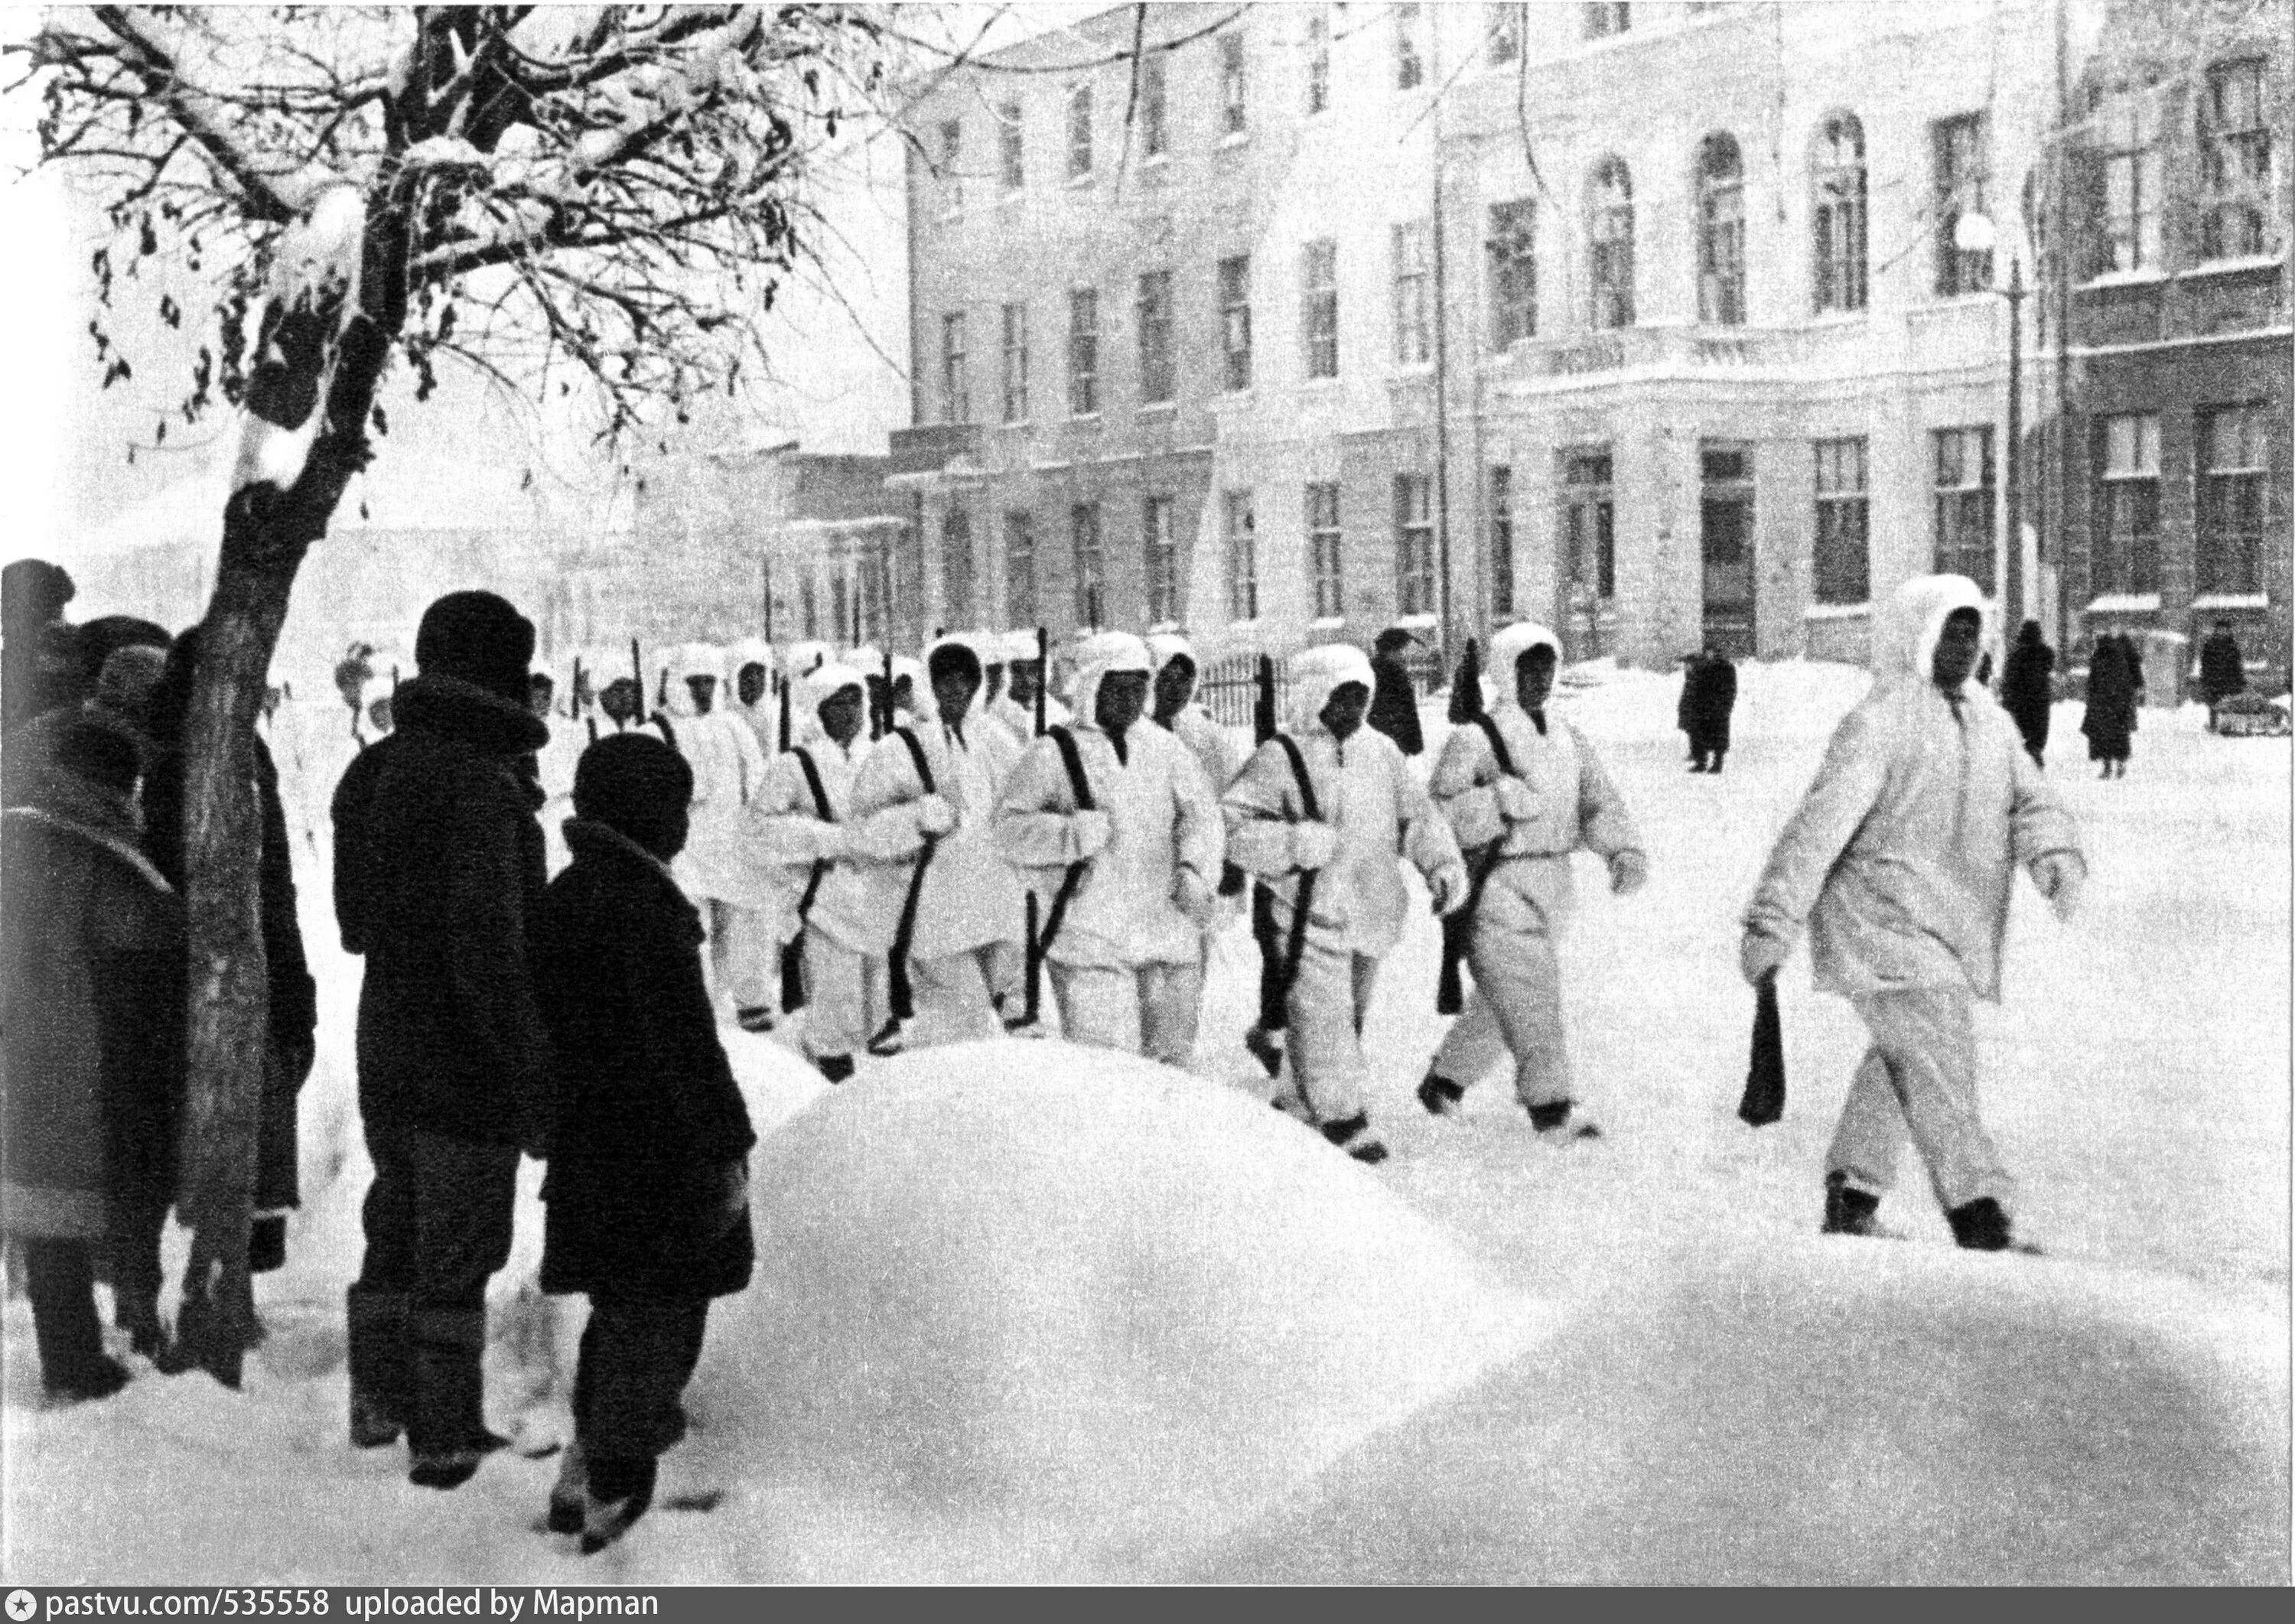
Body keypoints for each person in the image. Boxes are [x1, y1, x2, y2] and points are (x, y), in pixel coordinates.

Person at [1740, 574, 2085, 1253]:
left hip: (1946, 924)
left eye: (1971, 630)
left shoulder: (1992, 721)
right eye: (1948, 629)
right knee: (1938, 1052)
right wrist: (1771, 922)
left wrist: (2053, 854)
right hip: (1880, 921)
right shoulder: (1880, 721)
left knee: (1903, 1057)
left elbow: (2030, 800)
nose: (1962, 643)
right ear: (1916, 633)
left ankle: (1854, 1190)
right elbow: (1817, 828)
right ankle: (1980, 1210)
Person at [331, 590, 554, 1489]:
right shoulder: (481, 783)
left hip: (387, 1028)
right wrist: (531, 1070)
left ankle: (377, 1402)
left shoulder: (374, 773)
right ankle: (446, 1434)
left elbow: (352, 923)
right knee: (460, 1244)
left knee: (395, 1217)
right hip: (465, 1048)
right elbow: (491, 951)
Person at [533, 733, 756, 1554]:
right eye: (674, 804)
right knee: (658, 1320)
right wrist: (725, 1142)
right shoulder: (642, 908)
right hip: (658, 1156)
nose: (683, 822)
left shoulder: (575, 892)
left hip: (595, 1149)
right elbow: (682, 1049)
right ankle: (615, 1490)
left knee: (618, 1312)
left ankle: (584, 1464)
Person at [137, 628, 318, 1341]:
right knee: (213, 1137)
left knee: (227, 1138)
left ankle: (212, 1294)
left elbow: (275, 885)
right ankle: (206, 1302)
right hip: (210, 975)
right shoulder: (196, 761)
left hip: (231, 968)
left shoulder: (222, 754)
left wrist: (294, 986)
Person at [1223, 644, 1468, 1163]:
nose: (1352, 710)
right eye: (1342, 697)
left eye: (1361, 697)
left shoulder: (1381, 752)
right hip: (1305, 909)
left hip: (1372, 907)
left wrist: (1442, 866)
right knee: (1323, 1014)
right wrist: (1293, 845)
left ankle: (1295, 1099)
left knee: (1343, 1015)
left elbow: (1417, 818)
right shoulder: (1281, 756)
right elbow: (1233, 826)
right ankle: (1343, 1118)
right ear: (1316, 694)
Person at [2, 718, 182, 1401]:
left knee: (45, 1205)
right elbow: (139, 939)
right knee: (91, 1195)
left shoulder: (15, 835)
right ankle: (84, 1363)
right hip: (87, 1049)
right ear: (117, 784)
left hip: (23, 1047)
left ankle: (68, 1351)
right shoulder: (99, 858)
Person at [1416, 623, 1646, 1140]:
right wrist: (1494, 801)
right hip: (1499, 883)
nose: (1540, 677)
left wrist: (1621, 848)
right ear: (1505, 670)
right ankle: (1552, 1105)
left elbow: (1598, 801)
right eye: (1528, 666)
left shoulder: (1568, 737)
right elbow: (1437, 814)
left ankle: (1445, 1081)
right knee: (1532, 992)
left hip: (1555, 881)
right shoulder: (1474, 737)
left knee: (1507, 998)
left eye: (1547, 666)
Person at [994, 632, 1223, 1067]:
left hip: (1167, 932)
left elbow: (1203, 819)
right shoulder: (1052, 752)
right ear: (1091, 685)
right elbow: (1008, 830)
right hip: (1088, 936)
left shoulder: (1166, 749)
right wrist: (1070, 835)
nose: (1131, 699)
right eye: (1118, 688)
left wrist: (1196, 871)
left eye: (1140, 687)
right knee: (1106, 1070)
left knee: (1171, 1068)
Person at [846, 636, 1024, 1052]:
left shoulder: (999, 742)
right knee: (961, 1029)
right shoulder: (899, 749)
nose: (957, 689)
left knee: (1016, 1031)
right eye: (945, 680)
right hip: (934, 916)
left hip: (998, 909)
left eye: (966, 679)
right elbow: (862, 832)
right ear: (929, 684)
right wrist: (915, 820)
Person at [745, 662, 884, 1083]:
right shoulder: (795, 764)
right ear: (818, 709)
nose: (850, 712)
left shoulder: (881, 754)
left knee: (881, 1007)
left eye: (856, 701)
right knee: (833, 1001)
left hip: (882, 899)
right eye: (838, 703)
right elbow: (758, 832)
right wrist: (828, 839)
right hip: (823, 900)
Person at [656, 643, 776, 1031]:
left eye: (710, 682)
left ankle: (751, 1003)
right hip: (685, 850)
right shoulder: (658, 730)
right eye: (695, 682)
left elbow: (758, 782)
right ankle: (698, 1009)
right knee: (694, 935)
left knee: (742, 929)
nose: (703, 691)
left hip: (732, 845)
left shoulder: (734, 726)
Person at [1999, 620, 2056, 768]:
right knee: (2038, 733)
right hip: (2040, 700)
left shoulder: (2017, 654)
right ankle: (2035, 756)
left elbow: (2009, 678)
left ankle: (2027, 761)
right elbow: (2049, 666)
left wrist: (2007, 698)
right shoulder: (2045, 653)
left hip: (2020, 702)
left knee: (2021, 733)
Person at [2081, 632, 2138, 779]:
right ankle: (2120, 765)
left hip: (2101, 705)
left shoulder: (2097, 659)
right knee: (2119, 736)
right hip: (2118, 704)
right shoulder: (2120, 660)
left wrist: (2092, 700)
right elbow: (2126, 682)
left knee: (2103, 737)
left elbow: (2092, 683)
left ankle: (2107, 768)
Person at [1366, 627, 1425, 757]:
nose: (1405, 655)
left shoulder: (1370, 670)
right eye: (1403, 650)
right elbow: (1407, 711)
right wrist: (1414, 744)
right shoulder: (1395, 674)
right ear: (1392, 651)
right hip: (1395, 740)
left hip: (1378, 740)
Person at [1683, 642, 1738, 773]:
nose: (1709, 654)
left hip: (1719, 709)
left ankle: (1718, 763)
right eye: (1707, 652)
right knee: (1700, 735)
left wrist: (1726, 705)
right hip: (1702, 708)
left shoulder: (1726, 667)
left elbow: (1731, 689)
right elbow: (1694, 685)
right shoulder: (1702, 667)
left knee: (1718, 737)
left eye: (1712, 651)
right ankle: (1701, 762)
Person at [2199, 620, 2248, 718]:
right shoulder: (2209, 645)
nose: (2222, 632)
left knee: (2230, 705)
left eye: (2225, 630)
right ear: (2216, 631)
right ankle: (2214, 724)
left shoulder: (2233, 645)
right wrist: (2207, 679)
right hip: (2214, 681)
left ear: (2229, 631)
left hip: (2230, 681)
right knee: (2215, 705)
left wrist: (2240, 680)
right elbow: (2205, 664)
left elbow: (2237, 665)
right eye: (2220, 630)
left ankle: (2227, 725)